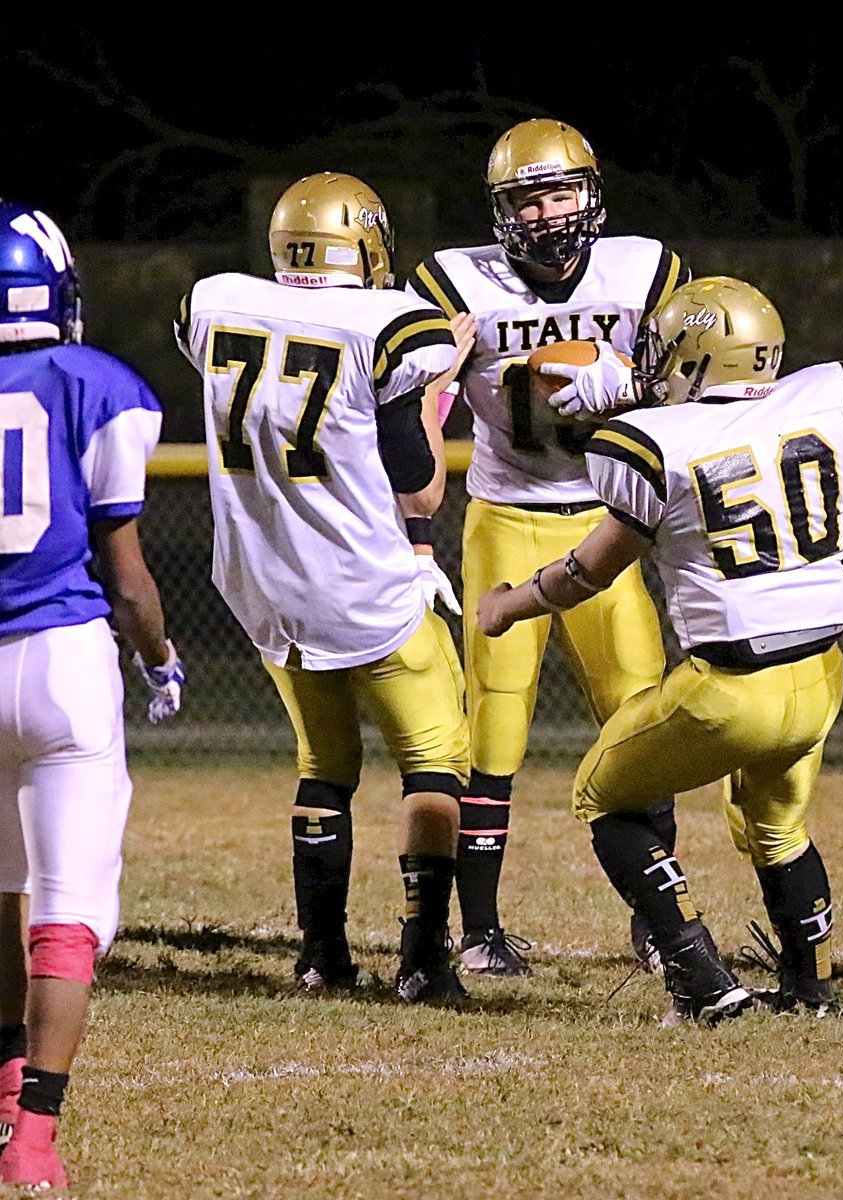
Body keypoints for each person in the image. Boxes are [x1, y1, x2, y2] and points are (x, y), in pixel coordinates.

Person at [477, 276, 843, 1024]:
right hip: (821, 675)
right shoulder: (823, 401)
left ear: (693, 357)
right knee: (778, 829)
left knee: (601, 792)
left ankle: (700, 983)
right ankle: (811, 989)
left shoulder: (652, 444)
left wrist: (509, 603)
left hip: (729, 684)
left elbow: (588, 572)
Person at [175, 172, 474, 1004]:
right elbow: (418, 490)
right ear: (366, 245)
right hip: (364, 588)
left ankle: (321, 955)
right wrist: (440, 381)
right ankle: (422, 960)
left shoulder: (217, 303)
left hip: (264, 586)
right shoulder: (389, 325)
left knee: (323, 765)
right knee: (436, 767)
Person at [405, 118, 687, 976]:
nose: (545, 214)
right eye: (527, 198)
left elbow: (696, 378)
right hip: (507, 513)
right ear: (501, 211)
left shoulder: (645, 270)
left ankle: (657, 916)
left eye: (559, 192)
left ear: (590, 195)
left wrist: (634, 382)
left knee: (639, 715)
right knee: (492, 725)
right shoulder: (457, 284)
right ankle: (480, 930)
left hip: (613, 519)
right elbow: (420, 413)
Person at [0, 200, 184, 1189]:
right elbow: (129, 577)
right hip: (64, 659)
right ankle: (34, 1141)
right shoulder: (98, 383)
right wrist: (160, 659)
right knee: (66, 910)